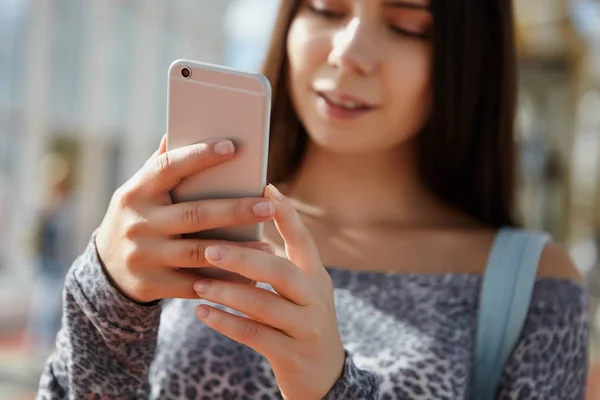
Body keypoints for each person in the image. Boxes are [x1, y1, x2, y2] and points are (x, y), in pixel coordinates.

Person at [37, 0, 588, 399]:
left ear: (470, 59)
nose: (349, 53)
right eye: (326, 9)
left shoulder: (531, 282)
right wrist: (103, 296)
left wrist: (332, 388)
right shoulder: (184, 226)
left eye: (406, 24)